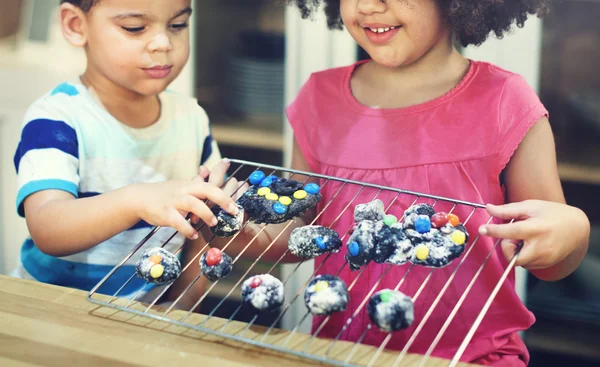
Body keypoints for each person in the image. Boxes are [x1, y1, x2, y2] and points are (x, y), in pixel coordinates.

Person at [266, 0, 589, 365]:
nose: (369, 5)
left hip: (474, 358)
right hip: (342, 355)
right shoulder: (318, 99)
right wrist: (245, 231)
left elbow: (550, 259)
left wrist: (574, 231)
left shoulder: (505, 101)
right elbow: (298, 234)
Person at [10, 0, 239, 309]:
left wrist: (181, 301)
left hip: (143, 315)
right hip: (50, 311)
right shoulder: (56, 118)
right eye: (135, 28)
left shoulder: (192, 119)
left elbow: (202, 228)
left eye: (177, 25)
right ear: (77, 26)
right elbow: (48, 228)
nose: (163, 44)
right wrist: (136, 201)